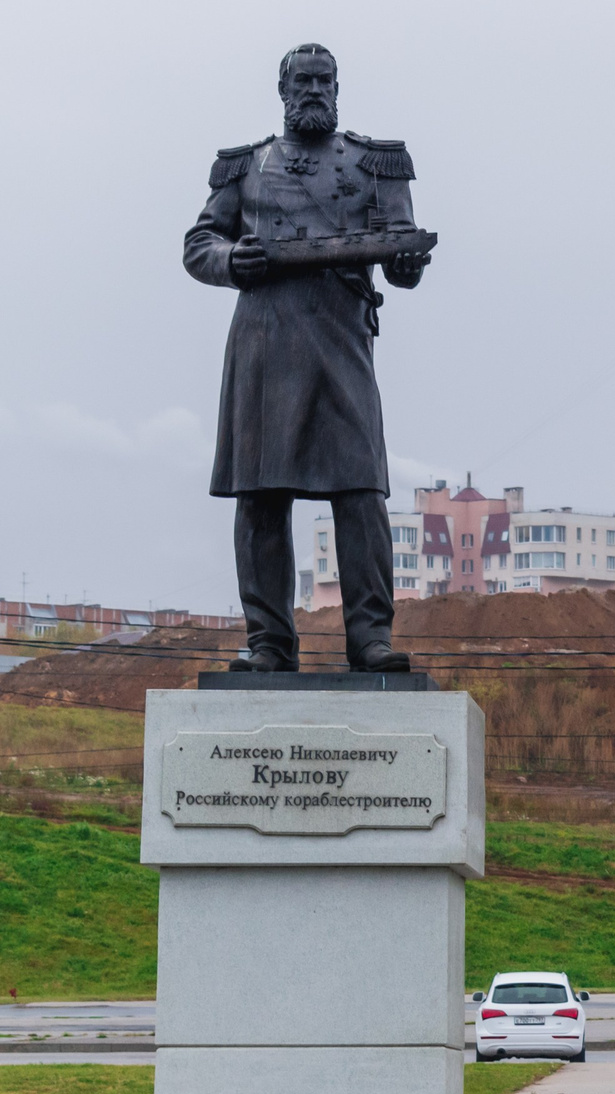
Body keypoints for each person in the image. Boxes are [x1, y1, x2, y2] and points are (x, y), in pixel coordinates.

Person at [185, 43, 431, 673]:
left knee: (361, 491)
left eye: (325, 80)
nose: (315, 90)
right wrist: (230, 260)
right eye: (304, 81)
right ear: (284, 90)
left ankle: (370, 639)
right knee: (260, 496)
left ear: (338, 88)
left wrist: (407, 265)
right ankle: (269, 643)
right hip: (264, 345)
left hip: (341, 339)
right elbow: (200, 243)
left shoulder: (376, 164)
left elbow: (401, 255)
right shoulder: (245, 166)